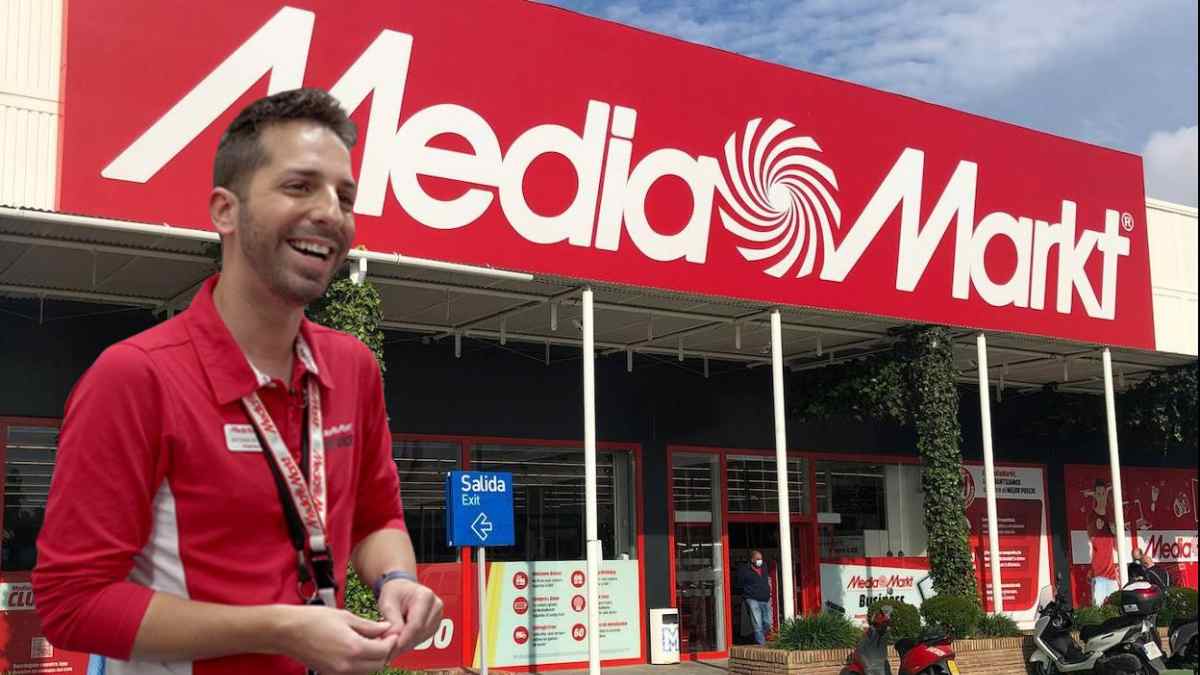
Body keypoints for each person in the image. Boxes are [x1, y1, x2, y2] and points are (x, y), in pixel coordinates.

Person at [32, 88, 443, 675]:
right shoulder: (136, 376)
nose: (331, 211)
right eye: (300, 186)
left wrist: (396, 578)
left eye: (344, 196)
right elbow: (72, 603)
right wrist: (279, 627)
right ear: (225, 210)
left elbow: (378, 518)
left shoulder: (353, 368)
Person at [1084, 479, 1120, 606]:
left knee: (1116, 608)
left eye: (1103, 493)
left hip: (1111, 575)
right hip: (1098, 574)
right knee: (1099, 608)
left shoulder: (1111, 515)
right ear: (1095, 495)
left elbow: (1117, 547)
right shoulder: (1091, 517)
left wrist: (1115, 533)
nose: (1101, 497)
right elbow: (1093, 539)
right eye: (1098, 494)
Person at [735, 550, 773, 645]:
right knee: (757, 622)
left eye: (761, 559)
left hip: (765, 598)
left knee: (768, 622)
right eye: (758, 559)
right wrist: (746, 593)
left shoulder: (764, 566)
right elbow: (739, 583)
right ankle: (761, 644)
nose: (760, 561)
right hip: (752, 598)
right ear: (752, 560)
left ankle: (756, 637)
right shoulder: (744, 570)